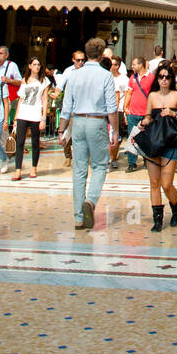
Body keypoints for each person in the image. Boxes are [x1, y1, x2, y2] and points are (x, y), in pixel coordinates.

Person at [58, 37, 119, 231]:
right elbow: (112, 107)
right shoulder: (105, 76)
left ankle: (78, 217)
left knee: (79, 169)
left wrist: (61, 130)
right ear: (102, 55)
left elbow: (66, 106)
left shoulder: (74, 75)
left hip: (78, 121)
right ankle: (90, 201)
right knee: (100, 165)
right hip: (97, 121)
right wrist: (115, 131)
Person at [135, 64, 177, 231]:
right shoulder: (152, 96)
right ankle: (158, 219)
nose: (164, 80)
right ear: (157, 79)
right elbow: (149, 116)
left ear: (172, 79)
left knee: (166, 183)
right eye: (161, 77)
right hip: (154, 141)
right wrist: (144, 122)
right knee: (154, 182)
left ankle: (176, 206)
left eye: (167, 77)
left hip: (170, 141)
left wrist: (173, 113)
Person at [11, 58, 48, 180]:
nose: (37, 67)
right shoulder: (25, 81)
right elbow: (20, 99)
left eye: (38, 64)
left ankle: (33, 169)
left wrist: (43, 118)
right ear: (30, 66)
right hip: (23, 114)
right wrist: (15, 118)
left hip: (35, 114)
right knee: (20, 142)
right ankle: (18, 170)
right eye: (34, 64)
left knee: (35, 142)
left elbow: (45, 100)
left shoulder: (43, 81)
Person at [125, 56, 152, 173]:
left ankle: (147, 160)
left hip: (145, 113)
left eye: (134, 64)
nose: (132, 66)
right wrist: (126, 107)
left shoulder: (151, 78)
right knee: (132, 138)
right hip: (133, 113)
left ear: (140, 65)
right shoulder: (132, 78)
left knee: (147, 138)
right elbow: (129, 93)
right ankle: (132, 163)